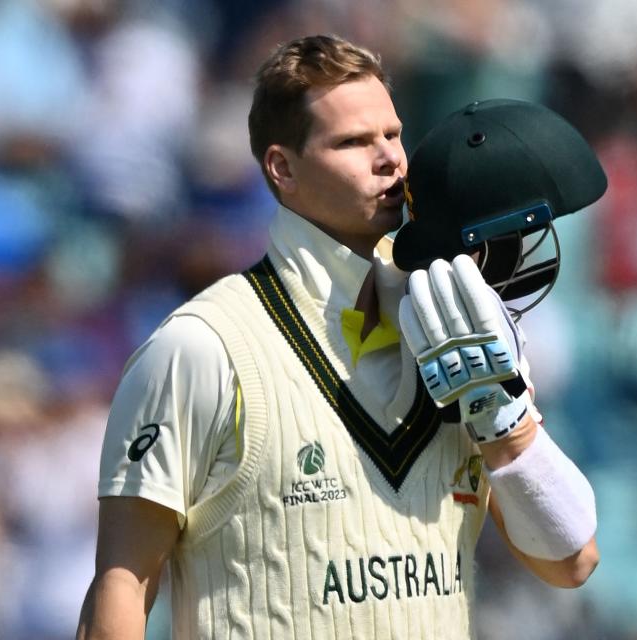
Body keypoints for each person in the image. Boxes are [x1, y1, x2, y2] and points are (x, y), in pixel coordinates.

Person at [77, 34, 599, 640]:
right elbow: (121, 584)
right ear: (283, 167)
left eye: (393, 134)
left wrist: (505, 422)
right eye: (353, 142)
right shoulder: (201, 346)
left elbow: (571, 561)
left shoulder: (466, 333)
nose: (391, 161)